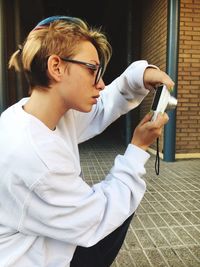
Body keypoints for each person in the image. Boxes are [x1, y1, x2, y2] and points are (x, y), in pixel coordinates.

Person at [0, 16, 174, 267]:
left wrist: (139, 76)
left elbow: (103, 106)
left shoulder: (30, 113)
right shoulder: (33, 156)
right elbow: (98, 218)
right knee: (122, 199)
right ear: (56, 67)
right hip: (30, 258)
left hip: (45, 240)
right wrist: (137, 148)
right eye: (92, 69)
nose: (101, 83)